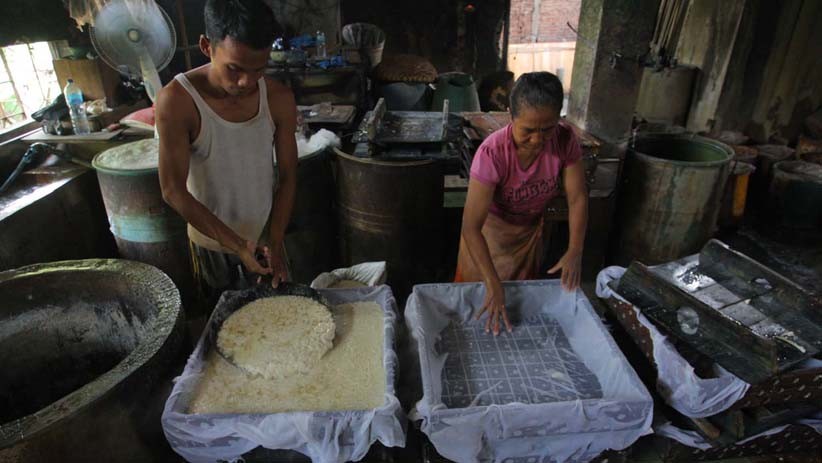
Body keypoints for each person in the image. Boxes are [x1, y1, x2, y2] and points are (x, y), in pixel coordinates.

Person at [157, 0, 298, 308]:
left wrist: (273, 240)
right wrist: (237, 245)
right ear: (207, 46)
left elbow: (287, 176)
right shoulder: (177, 101)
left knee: (279, 324)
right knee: (225, 335)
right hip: (211, 245)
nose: (247, 82)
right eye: (234, 69)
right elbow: (172, 190)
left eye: (259, 69)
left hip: (266, 237)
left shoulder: (278, 98)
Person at [456, 72, 588, 335]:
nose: (537, 140)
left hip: (526, 235)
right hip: (488, 237)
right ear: (510, 116)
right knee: (476, 309)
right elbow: (471, 227)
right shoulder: (492, 153)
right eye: (527, 130)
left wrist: (575, 249)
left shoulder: (564, 140)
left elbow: (578, 197)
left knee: (517, 310)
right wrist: (492, 281)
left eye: (547, 129)